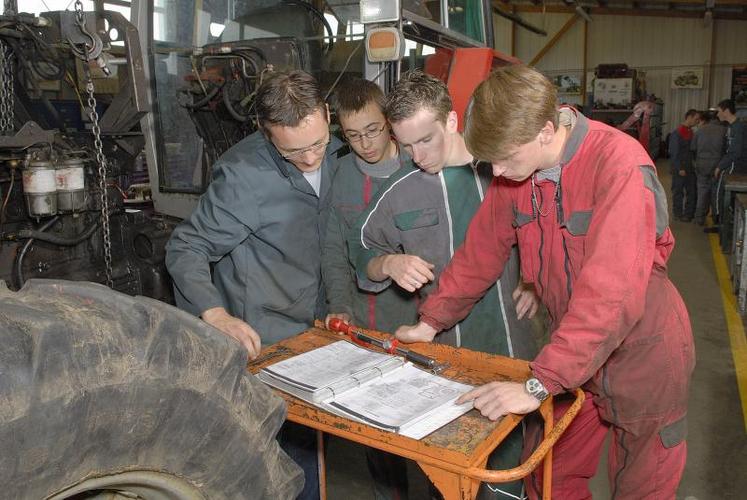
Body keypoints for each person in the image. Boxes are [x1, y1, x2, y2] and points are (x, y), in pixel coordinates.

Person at [395, 65, 695, 500]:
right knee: (548, 477)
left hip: (642, 351)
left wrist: (539, 384)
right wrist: (430, 322)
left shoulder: (619, 166)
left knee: (641, 486)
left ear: (546, 130)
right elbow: (480, 251)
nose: (497, 170)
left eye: (506, 158)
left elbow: (611, 297)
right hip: (573, 352)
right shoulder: (516, 172)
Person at [348, 70, 539, 500]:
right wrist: (388, 262)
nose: (416, 155)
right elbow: (362, 252)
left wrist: (535, 278)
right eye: (406, 144)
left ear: (451, 121)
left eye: (426, 140)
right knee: (448, 475)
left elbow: (546, 231)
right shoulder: (398, 191)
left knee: (506, 476)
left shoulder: (503, 171)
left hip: (510, 352)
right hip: (441, 363)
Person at [165, 70, 343, 500]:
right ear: (266, 132)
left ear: (325, 114)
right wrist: (216, 314)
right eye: (294, 151)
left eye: (317, 143)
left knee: (313, 453)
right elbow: (185, 248)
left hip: (321, 331)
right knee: (277, 464)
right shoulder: (244, 175)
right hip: (268, 341)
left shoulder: (341, 151)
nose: (310, 158)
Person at [322, 78, 418, 500]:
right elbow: (333, 253)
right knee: (377, 432)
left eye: (373, 130)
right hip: (363, 322)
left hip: (418, 322)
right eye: (353, 135)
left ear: (390, 123)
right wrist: (341, 307)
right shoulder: (339, 175)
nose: (365, 144)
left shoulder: (418, 167)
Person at [706, 98, 747, 233]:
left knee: (719, 189)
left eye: (719, 111)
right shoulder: (730, 127)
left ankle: (720, 222)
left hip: (734, 165)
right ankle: (722, 222)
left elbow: (735, 152)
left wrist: (720, 167)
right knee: (720, 191)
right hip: (730, 162)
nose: (717, 115)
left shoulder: (739, 128)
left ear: (726, 111)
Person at [691, 110, 726, 225]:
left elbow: (693, 148)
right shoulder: (724, 130)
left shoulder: (700, 131)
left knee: (702, 192)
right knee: (716, 193)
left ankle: (699, 219)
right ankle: (716, 220)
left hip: (701, 164)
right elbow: (726, 150)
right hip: (718, 166)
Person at [668, 109, 699, 222]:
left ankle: (688, 214)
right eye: (695, 119)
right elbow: (674, 152)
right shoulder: (678, 133)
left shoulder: (691, 132)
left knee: (691, 191)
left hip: (690, 167)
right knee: (678, 191)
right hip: (680, 168)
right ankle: (678, 213)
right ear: (689, 117)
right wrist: (679, 168)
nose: (697, 121)